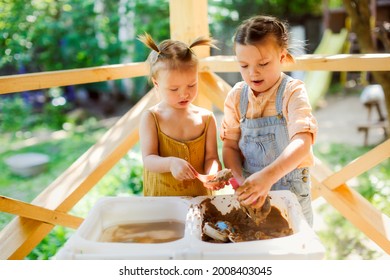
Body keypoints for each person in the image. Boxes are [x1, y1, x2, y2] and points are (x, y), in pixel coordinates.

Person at [220, 15, 318, 225]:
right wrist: (240, 181)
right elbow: (229, 146)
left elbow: (302, 142)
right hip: (252, 198)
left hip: (291, 195)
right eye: (244, 65)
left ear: (282, 57)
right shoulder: (237, 97)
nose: (253, 72)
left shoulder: (292, 92)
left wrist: (267, 177)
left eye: (263, 63)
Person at [138, 33, 223, 196]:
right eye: (174, 89)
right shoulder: (152, 118)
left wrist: (213, 173)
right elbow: (149, 159)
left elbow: (211, 157)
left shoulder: (206, 119)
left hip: (199, 200)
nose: (184, 94)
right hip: (162, 202)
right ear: (157, 83)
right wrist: (170, 163)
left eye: (192, 85)